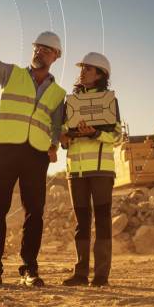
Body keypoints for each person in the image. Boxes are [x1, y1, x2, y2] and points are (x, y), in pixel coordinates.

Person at [0, 20, 66, 288]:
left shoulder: (58, 93)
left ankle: (29, 270)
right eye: (38, 48)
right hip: (7, 149)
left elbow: (56, 125)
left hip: (36, 154)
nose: (40, 52)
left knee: (35, 212)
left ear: (56, 56)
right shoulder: (12, 74)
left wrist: (54, 146)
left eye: (47, 50)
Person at [59, 52, 121, 287]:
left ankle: (101, 276)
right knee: (81, 222)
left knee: (103, 220)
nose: (82, 72)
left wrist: (95, 133)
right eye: (82, 68)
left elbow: (117, 136)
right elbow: (63, 133)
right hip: (76, 172)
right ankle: (80, 274)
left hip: (101, 171)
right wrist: (66, 136)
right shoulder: (71, 102)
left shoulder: (109, 102)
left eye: (88, 68)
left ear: (100, 74)